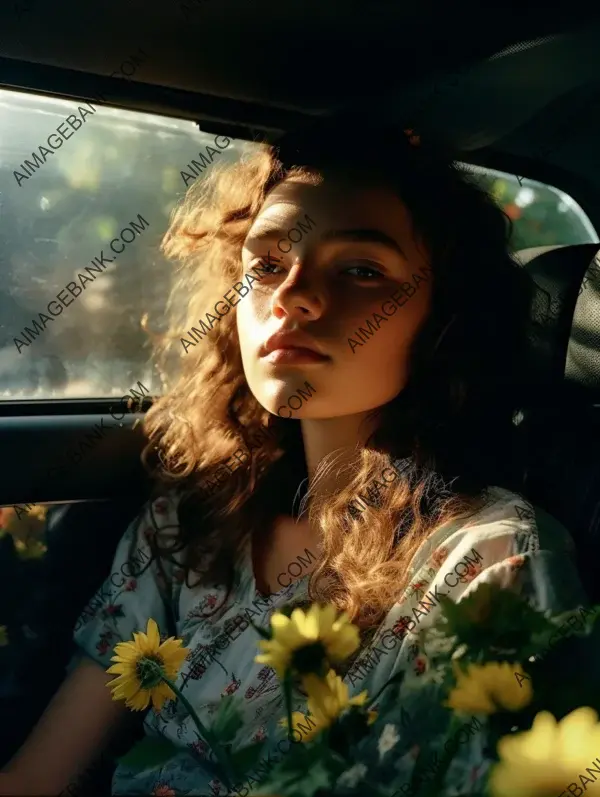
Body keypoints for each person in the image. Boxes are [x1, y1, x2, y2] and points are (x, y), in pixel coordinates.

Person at [0, 113, 589, 796]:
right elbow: (36, 779)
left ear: (445, 318)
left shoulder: (488, 561)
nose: (293, 296)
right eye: (269, 264)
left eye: (362, 269)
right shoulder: (187, 526)